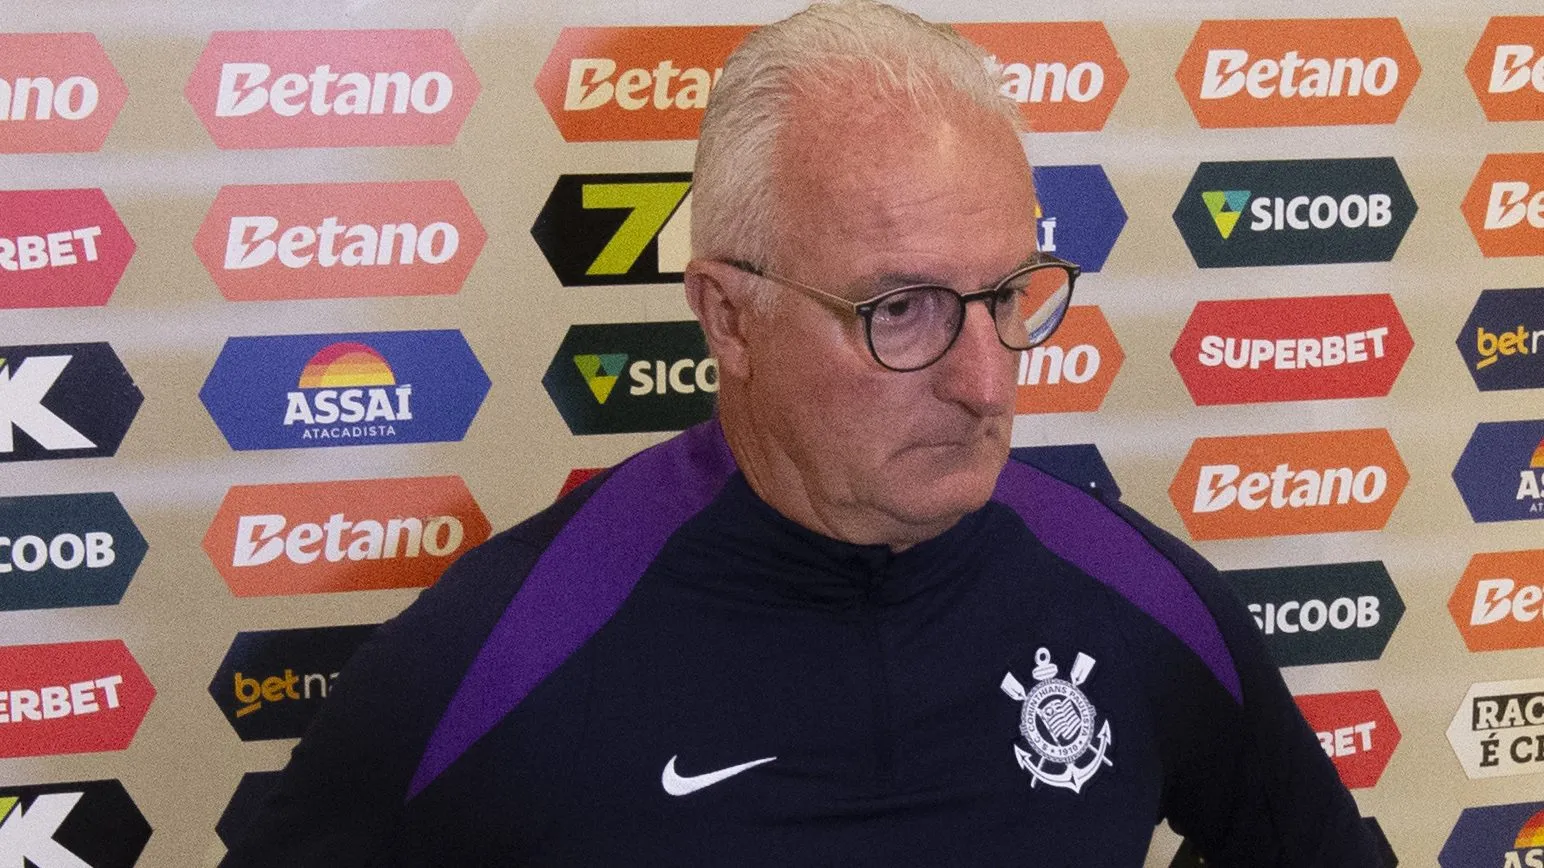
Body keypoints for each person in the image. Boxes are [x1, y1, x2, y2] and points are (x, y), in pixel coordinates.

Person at [222, 1, 1383, 865]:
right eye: (900, 310)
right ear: (729, 316)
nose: (986, 382)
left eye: (1009, 297)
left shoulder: (1133, 593)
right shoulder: (504, 648)